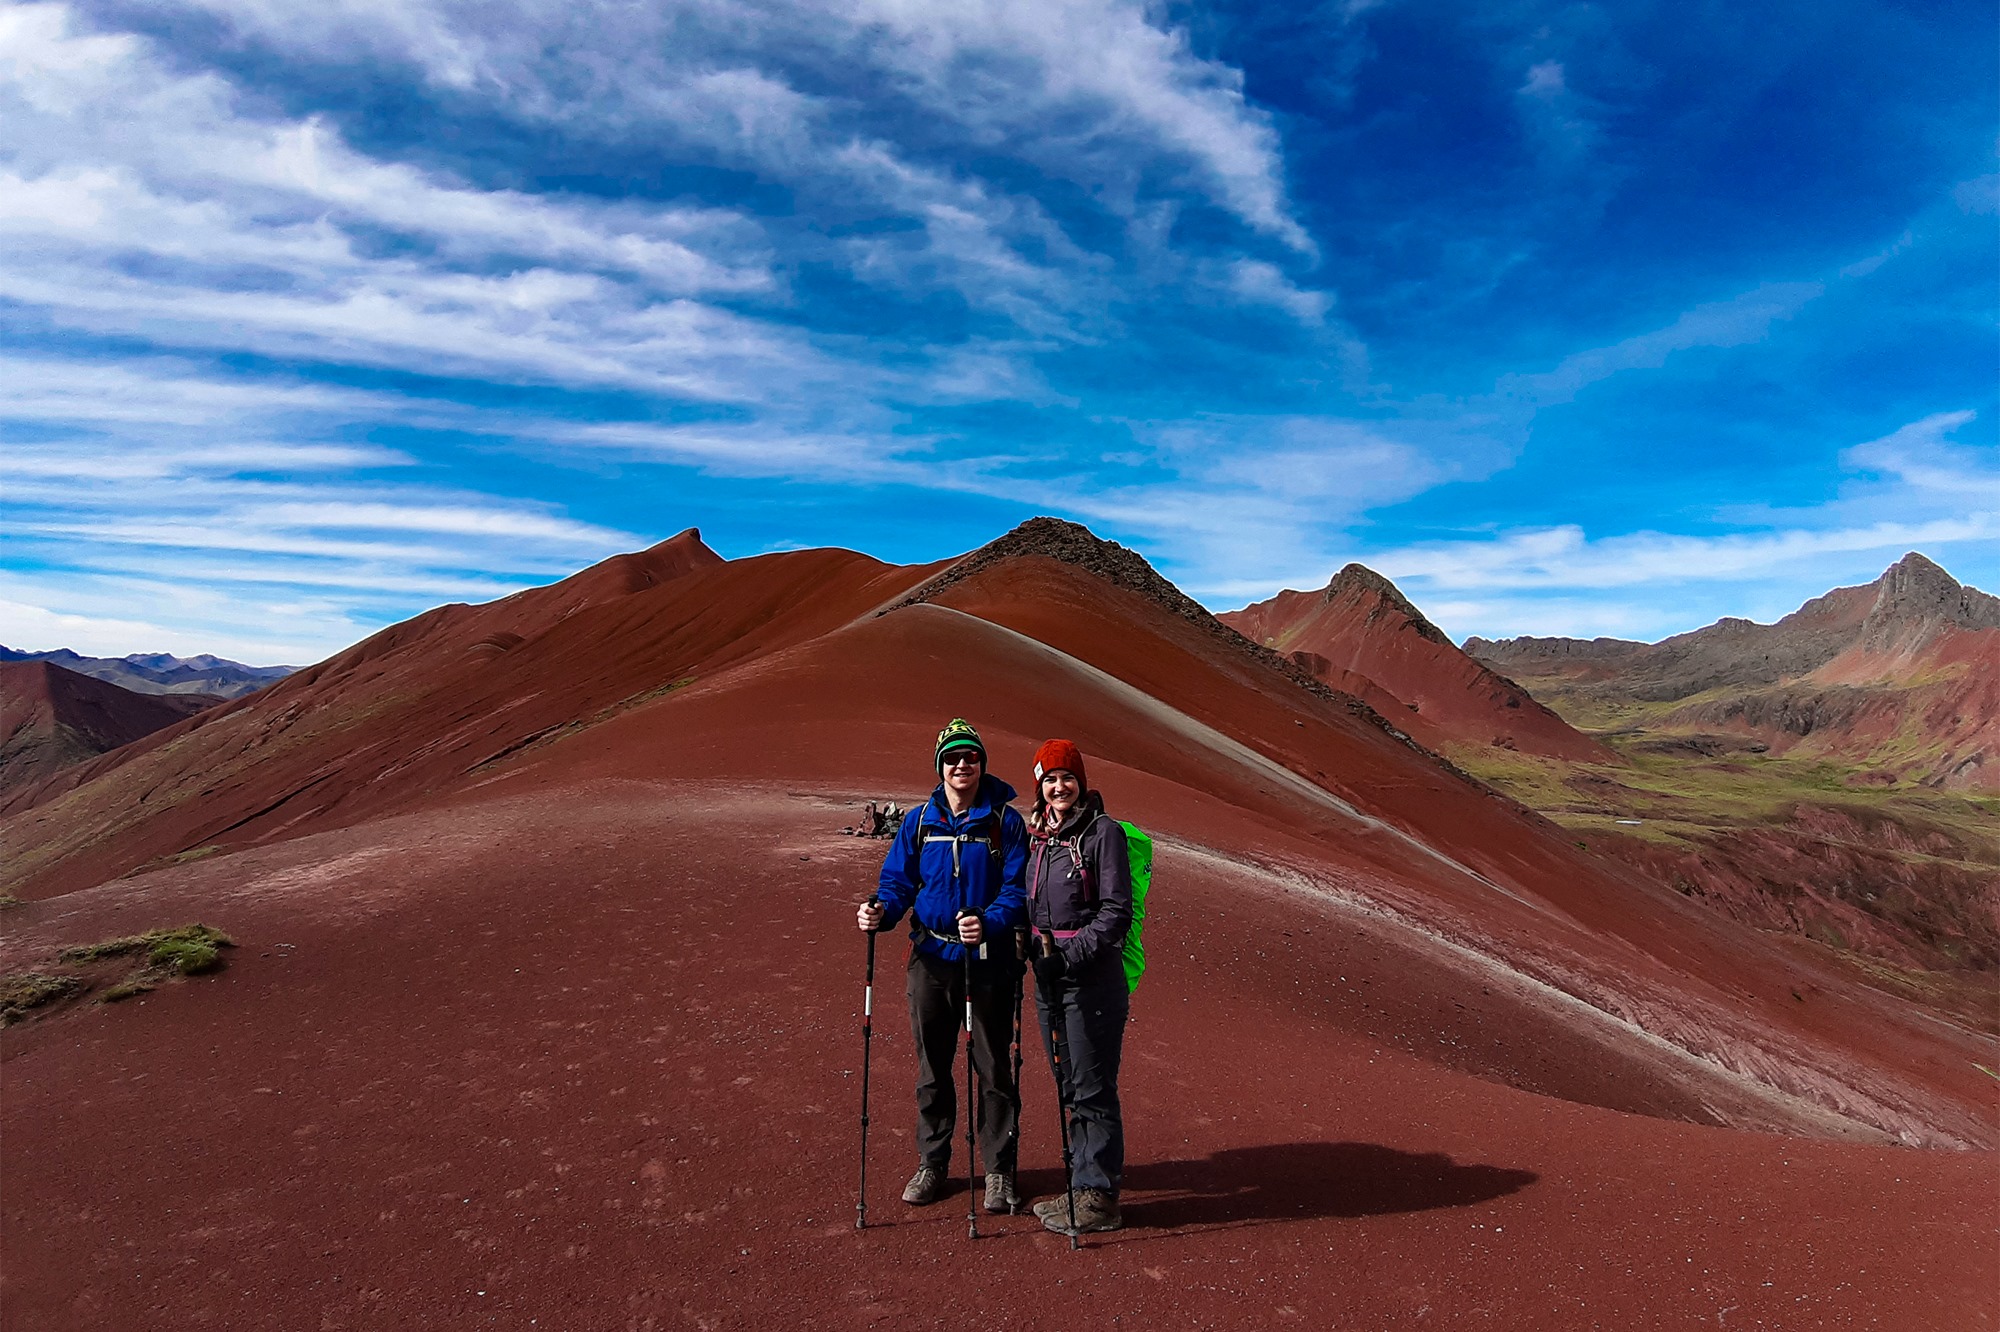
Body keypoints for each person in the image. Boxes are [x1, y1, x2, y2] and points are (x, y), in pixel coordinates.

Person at [856, 718, 1028, 1213]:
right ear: (940, 765)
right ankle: (932, 1161)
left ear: (981, 764)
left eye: (970, 756)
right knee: (933, 1069)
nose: (961, 765)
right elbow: (898, 883)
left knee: (994, 1068)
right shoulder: (919, 821)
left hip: (989, 963)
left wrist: (990, 922)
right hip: (931, 959)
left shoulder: (1004, 822)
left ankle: (998, 1171)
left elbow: (1016, 890)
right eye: (952, 757)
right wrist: (880, 911)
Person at [1023, 737, 1132, 1235]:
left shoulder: (1102, 832)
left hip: (1089, 981)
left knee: (1092, 1086)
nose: (1059, 786)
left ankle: (1099, 1196)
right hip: (1048, 978)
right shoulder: (1039, 835)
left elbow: (1115, 914)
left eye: (1067, 777)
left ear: (1081, 782)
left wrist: (1066, 957)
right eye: (1050, 779)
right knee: (1068, 1081)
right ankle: (1080, 1184)